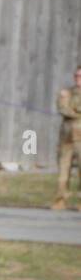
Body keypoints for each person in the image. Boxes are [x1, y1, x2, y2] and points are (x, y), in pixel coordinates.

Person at [52, 65, 81, 210]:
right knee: (63, 170)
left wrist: (73, 111)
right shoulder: (66, 92)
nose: (78, 79)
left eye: (80, 76)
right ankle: (60, 200)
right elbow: (63, 109)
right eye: (76, 76)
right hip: (66, 136)